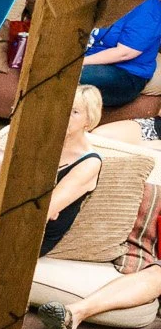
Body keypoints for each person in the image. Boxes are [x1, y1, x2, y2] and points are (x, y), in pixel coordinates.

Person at [42, 84, 106, 254]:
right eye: (64, 108)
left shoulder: (90, 162)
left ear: (88, 120)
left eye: (74, 112)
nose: (65, 115)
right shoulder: (45, 141)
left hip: (37, 236)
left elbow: (45, 210)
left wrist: (48, 206)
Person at [81, 0, 161, 108]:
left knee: (72, 76)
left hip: (127, 73)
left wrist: (80, 63)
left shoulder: (149, 8)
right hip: (91, 56)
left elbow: (124, 53)